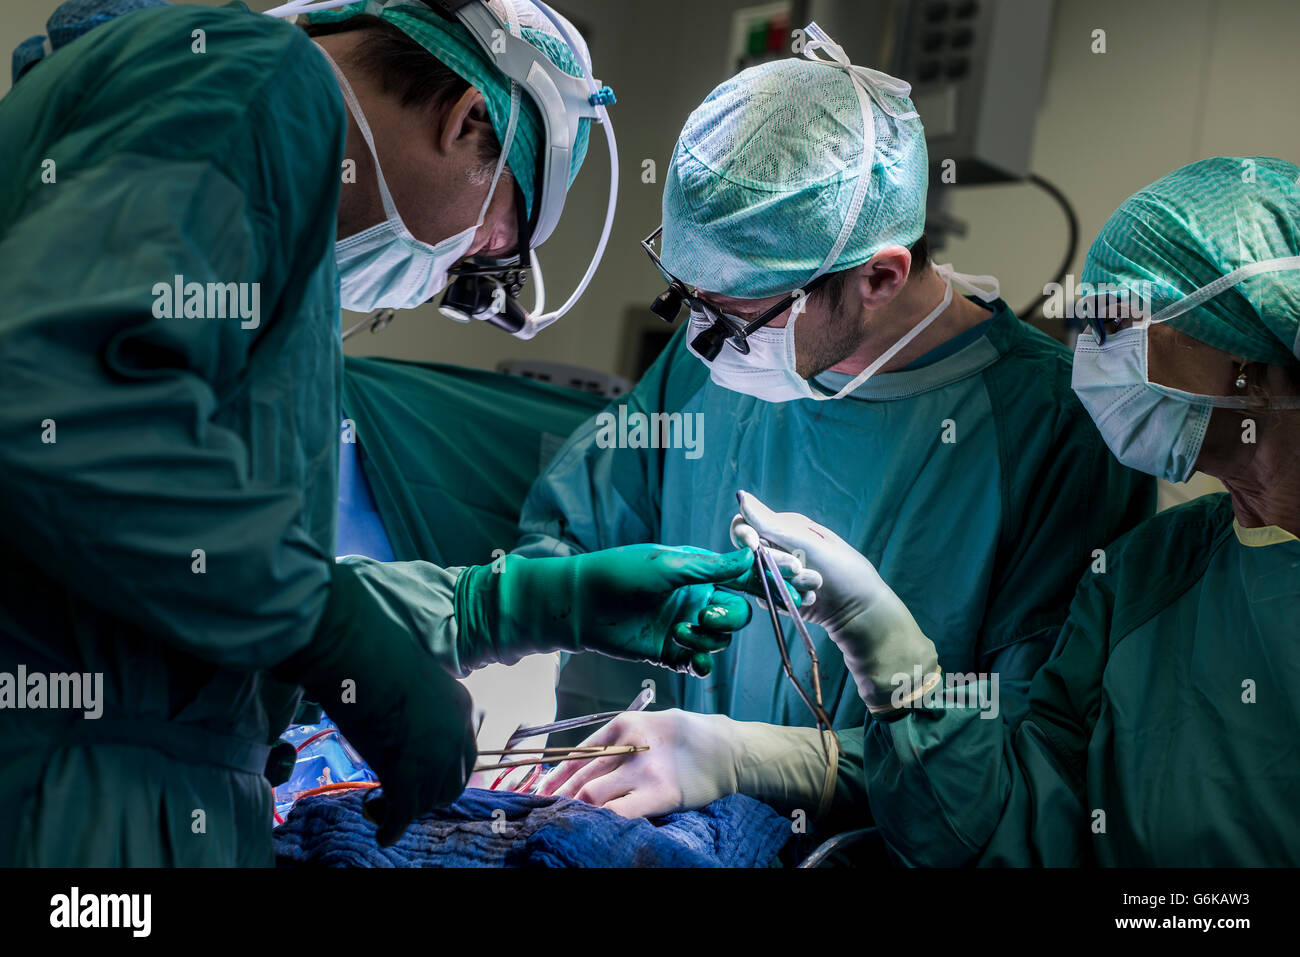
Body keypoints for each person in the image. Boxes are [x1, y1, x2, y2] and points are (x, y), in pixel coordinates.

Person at [0, 0, 784, 866]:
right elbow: (68, 411)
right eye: (489, 247)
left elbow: (189, 553)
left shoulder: (230, 165)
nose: (454, 270)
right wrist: (341, 641)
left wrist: (516, 605)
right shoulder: (259, 79)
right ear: (466, 118)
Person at [525, 26, 1153, 826]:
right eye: (688, 295)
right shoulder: (713, 360)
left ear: (880, 276)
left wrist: (753, 760)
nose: (702, 336)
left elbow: (1027, 765)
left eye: (735, 313)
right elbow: (581, 533)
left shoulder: (1058, 433)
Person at [731, 156, 1300, 865]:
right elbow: (1020, 825)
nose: (1087, 356)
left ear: (1251, 339)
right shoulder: (1144, 574)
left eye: (1117, 325)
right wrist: (891, 658)